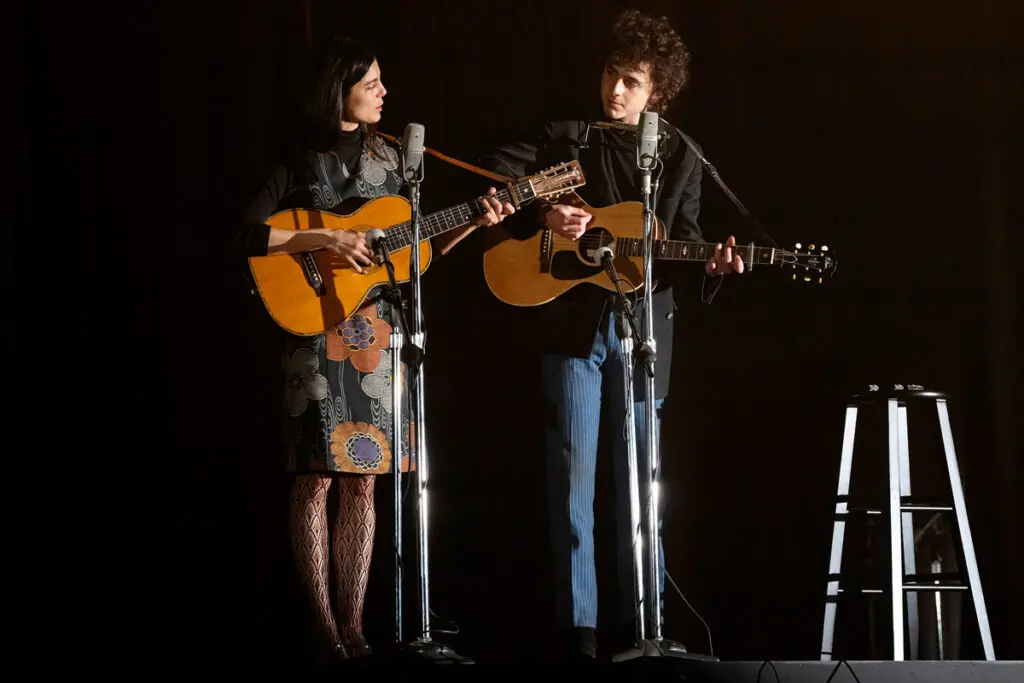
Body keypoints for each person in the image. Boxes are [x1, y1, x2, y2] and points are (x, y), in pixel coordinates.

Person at [235, 37, 515, 669]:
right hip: (311, 332)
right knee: (314, 480)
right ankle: (320, 628)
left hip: (375, 337)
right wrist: (324, 238)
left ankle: (354, 631)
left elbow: (417, 254)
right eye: (373, 84)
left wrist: (475, 220)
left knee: (362, 484)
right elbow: (248, 232)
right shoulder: (294, 157)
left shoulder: (393, 161)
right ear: (341, 89)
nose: (385, 93)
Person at [476, 9, 744, 661]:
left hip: (645, 324)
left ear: (659, 92)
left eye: (630, 81)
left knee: (641, 481)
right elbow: (492, 183)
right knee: (572, 479)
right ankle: (580, 633)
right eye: (609, 74)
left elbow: (683, 233)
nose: (614, 90)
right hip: (573, 325)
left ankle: (644, 626)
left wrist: (713, 261)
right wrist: (543, 210)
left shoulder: (680, 155)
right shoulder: (568, 136)